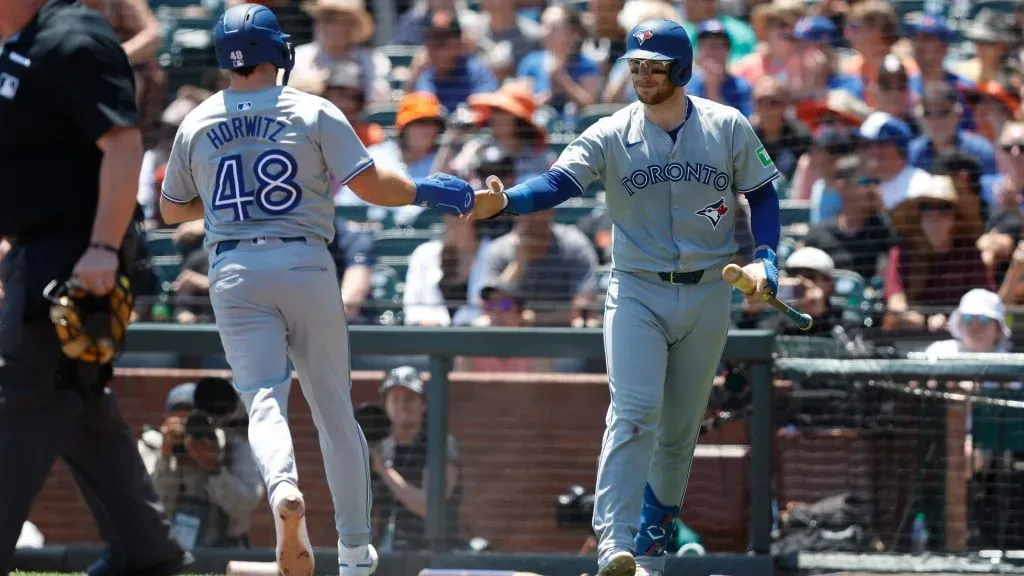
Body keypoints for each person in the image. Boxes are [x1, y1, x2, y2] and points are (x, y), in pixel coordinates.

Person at [158, 5, 476, 576]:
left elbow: (170, 207)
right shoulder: (311, 108)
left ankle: (284, 489)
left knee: (261, 399)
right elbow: (373, 185)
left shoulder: (196, 120)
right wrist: (429, 190)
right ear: (276, 51)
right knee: (334, 413)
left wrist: (229, 188)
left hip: (232, 269)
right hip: (304, 260)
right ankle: (354, 552)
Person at [468, 18, 781, 576]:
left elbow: (762, 192)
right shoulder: (611, 131)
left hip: (710, 291)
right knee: (634, 412)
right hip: (636, 290)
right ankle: (614, 542)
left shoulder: (726, 124)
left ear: (680, 68)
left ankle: (651, 552)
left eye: (653, 65)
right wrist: (509, 202)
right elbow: (558, 183)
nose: (641, 75)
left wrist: (766, 258)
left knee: (680, 434)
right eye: (634, 65)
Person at [0, 0, 189, 574]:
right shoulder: (23, 43)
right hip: (40, 250)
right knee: (81, 405)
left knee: (19, 403)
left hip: (78, 255)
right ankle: (146, 551)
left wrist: (103, 247)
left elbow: (123, 144)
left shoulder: (74, 36)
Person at [138, 381, 264, 550]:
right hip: (167, 546)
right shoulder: (152, 446)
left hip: (224, 550)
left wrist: (213, 468)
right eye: (181, 422)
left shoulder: (232, 447)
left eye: (193, 421)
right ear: (167, 419)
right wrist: (166, 457)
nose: (188, 430)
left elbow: (245, 505)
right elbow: (148, 506)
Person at [369, 366, 463, 552]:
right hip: (386, 553)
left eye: (410, 399)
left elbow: (429, 508)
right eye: (395, 399)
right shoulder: (381, 446)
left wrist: (385, 471)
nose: (402, 406)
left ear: (423, 404)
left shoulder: (440, 445)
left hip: (432, 552)